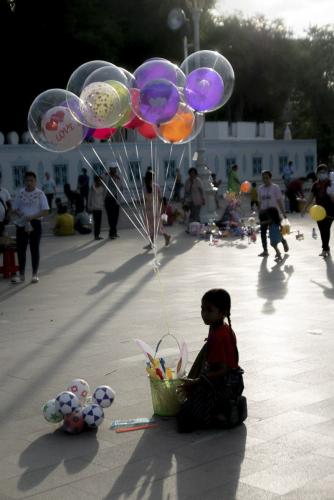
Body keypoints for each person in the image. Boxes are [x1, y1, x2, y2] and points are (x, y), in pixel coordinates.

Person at [177, 289, 246, 433]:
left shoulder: (220, 334)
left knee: (186, 415)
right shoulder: (217, 328)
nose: (204, 313)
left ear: (222, 313)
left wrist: (197, 381)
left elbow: (223, 370)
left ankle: (218, 414)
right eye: (202, 309)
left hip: (226, 384)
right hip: (221, 379)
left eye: (209, 310)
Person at [11, 171, 49, 284]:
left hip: (35, 223)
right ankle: (21, 275)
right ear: (24, 181)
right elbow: (15, 208)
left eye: (31, 180)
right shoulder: (20, 193)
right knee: (21, 249)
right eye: (27, 180)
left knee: (34, 248)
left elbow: (45, 211)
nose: (29, 182)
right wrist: (22, 215)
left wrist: (32, 216)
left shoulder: (40, 193)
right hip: (22, 224)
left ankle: (34, 274)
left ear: (35, 181)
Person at [302, 164, 334, 257]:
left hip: (330, 210)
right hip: (318, 211)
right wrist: (304, 208)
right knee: (321, 230)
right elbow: (311, 197)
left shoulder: (331, 183)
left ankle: (325, 248)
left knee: (326, 229)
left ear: (327, 173)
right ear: (317, 174)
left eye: (324, 172)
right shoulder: (315, 185)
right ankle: (326, 248)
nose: (322, 174)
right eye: (320, 172)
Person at [257, 170, 288, 257]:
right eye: (263, 178)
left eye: (266, 178)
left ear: (270, 178)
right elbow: (259, 202)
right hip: (263, 214)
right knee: (263, 232)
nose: (265, 179)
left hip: (273, 214)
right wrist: (259, 213)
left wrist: (283, 212)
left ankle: (283, 242)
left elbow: (279, 201)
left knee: (275, 232)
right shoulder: (260, 189)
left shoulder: (275, 187)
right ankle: (265, 250)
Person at [143, 171, 171, 249]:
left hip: (148, 209)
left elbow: (145, 199)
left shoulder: (145, 187)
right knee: (157, 225)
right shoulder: (157, 186)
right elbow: (160, 198)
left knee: (150, 226)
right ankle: (156, 241)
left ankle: (163, 238)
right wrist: (162, 209)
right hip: (156, 208)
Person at [104, 164, 122, 239]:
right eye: (113, 169)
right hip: (108, 199)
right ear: (110, 169)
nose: (115, 171)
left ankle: (113, 232)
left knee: (115, 216)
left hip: (116, 199)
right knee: (111, 216)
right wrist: (106, 174)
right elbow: (101, 180)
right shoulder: (106, 177)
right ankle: (112, 233)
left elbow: (121, 187)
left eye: (115, 169)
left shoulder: (118, 178)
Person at [88, 175, 105, 240]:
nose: (101, 182)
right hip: (94, 207)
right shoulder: (92, 187)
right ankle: (96, 235)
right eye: (100, 180)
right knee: (96, 222)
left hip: (99, 206)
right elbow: (89, 197)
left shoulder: (102, 187)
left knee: (99, 222)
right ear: (97, 180)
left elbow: (103, 196)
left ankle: (97, 235)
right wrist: (89, 206)